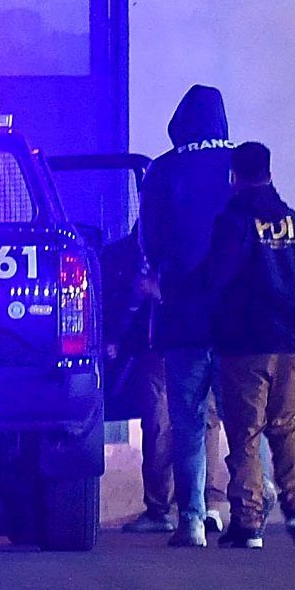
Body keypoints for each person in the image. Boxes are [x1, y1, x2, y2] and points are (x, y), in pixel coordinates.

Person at [202, 142, 295, 549]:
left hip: (245, 344)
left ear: (234, 176)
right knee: (284, 425)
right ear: (269, 172)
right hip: (293, 342)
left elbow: (215, 277)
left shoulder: (233, 221)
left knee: (246, 433)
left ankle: (249, 524)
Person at [140, 85, 235, 548]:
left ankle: (192, 520)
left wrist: (162, 280)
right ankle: (250, 510)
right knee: (242, 418)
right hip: (239, 320)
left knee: (187, 420)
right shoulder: (243, 165)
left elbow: (150, 242)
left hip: (182, 317)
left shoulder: (165, 169)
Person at [105, 229, 234, 534]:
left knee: (162, 422)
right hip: (207, 342)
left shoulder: (141, 249)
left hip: (163, 346)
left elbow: (133, 299)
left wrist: (120, 338)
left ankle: (164, 509)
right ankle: (204, 505)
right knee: (204, 423)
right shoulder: (212, 236)